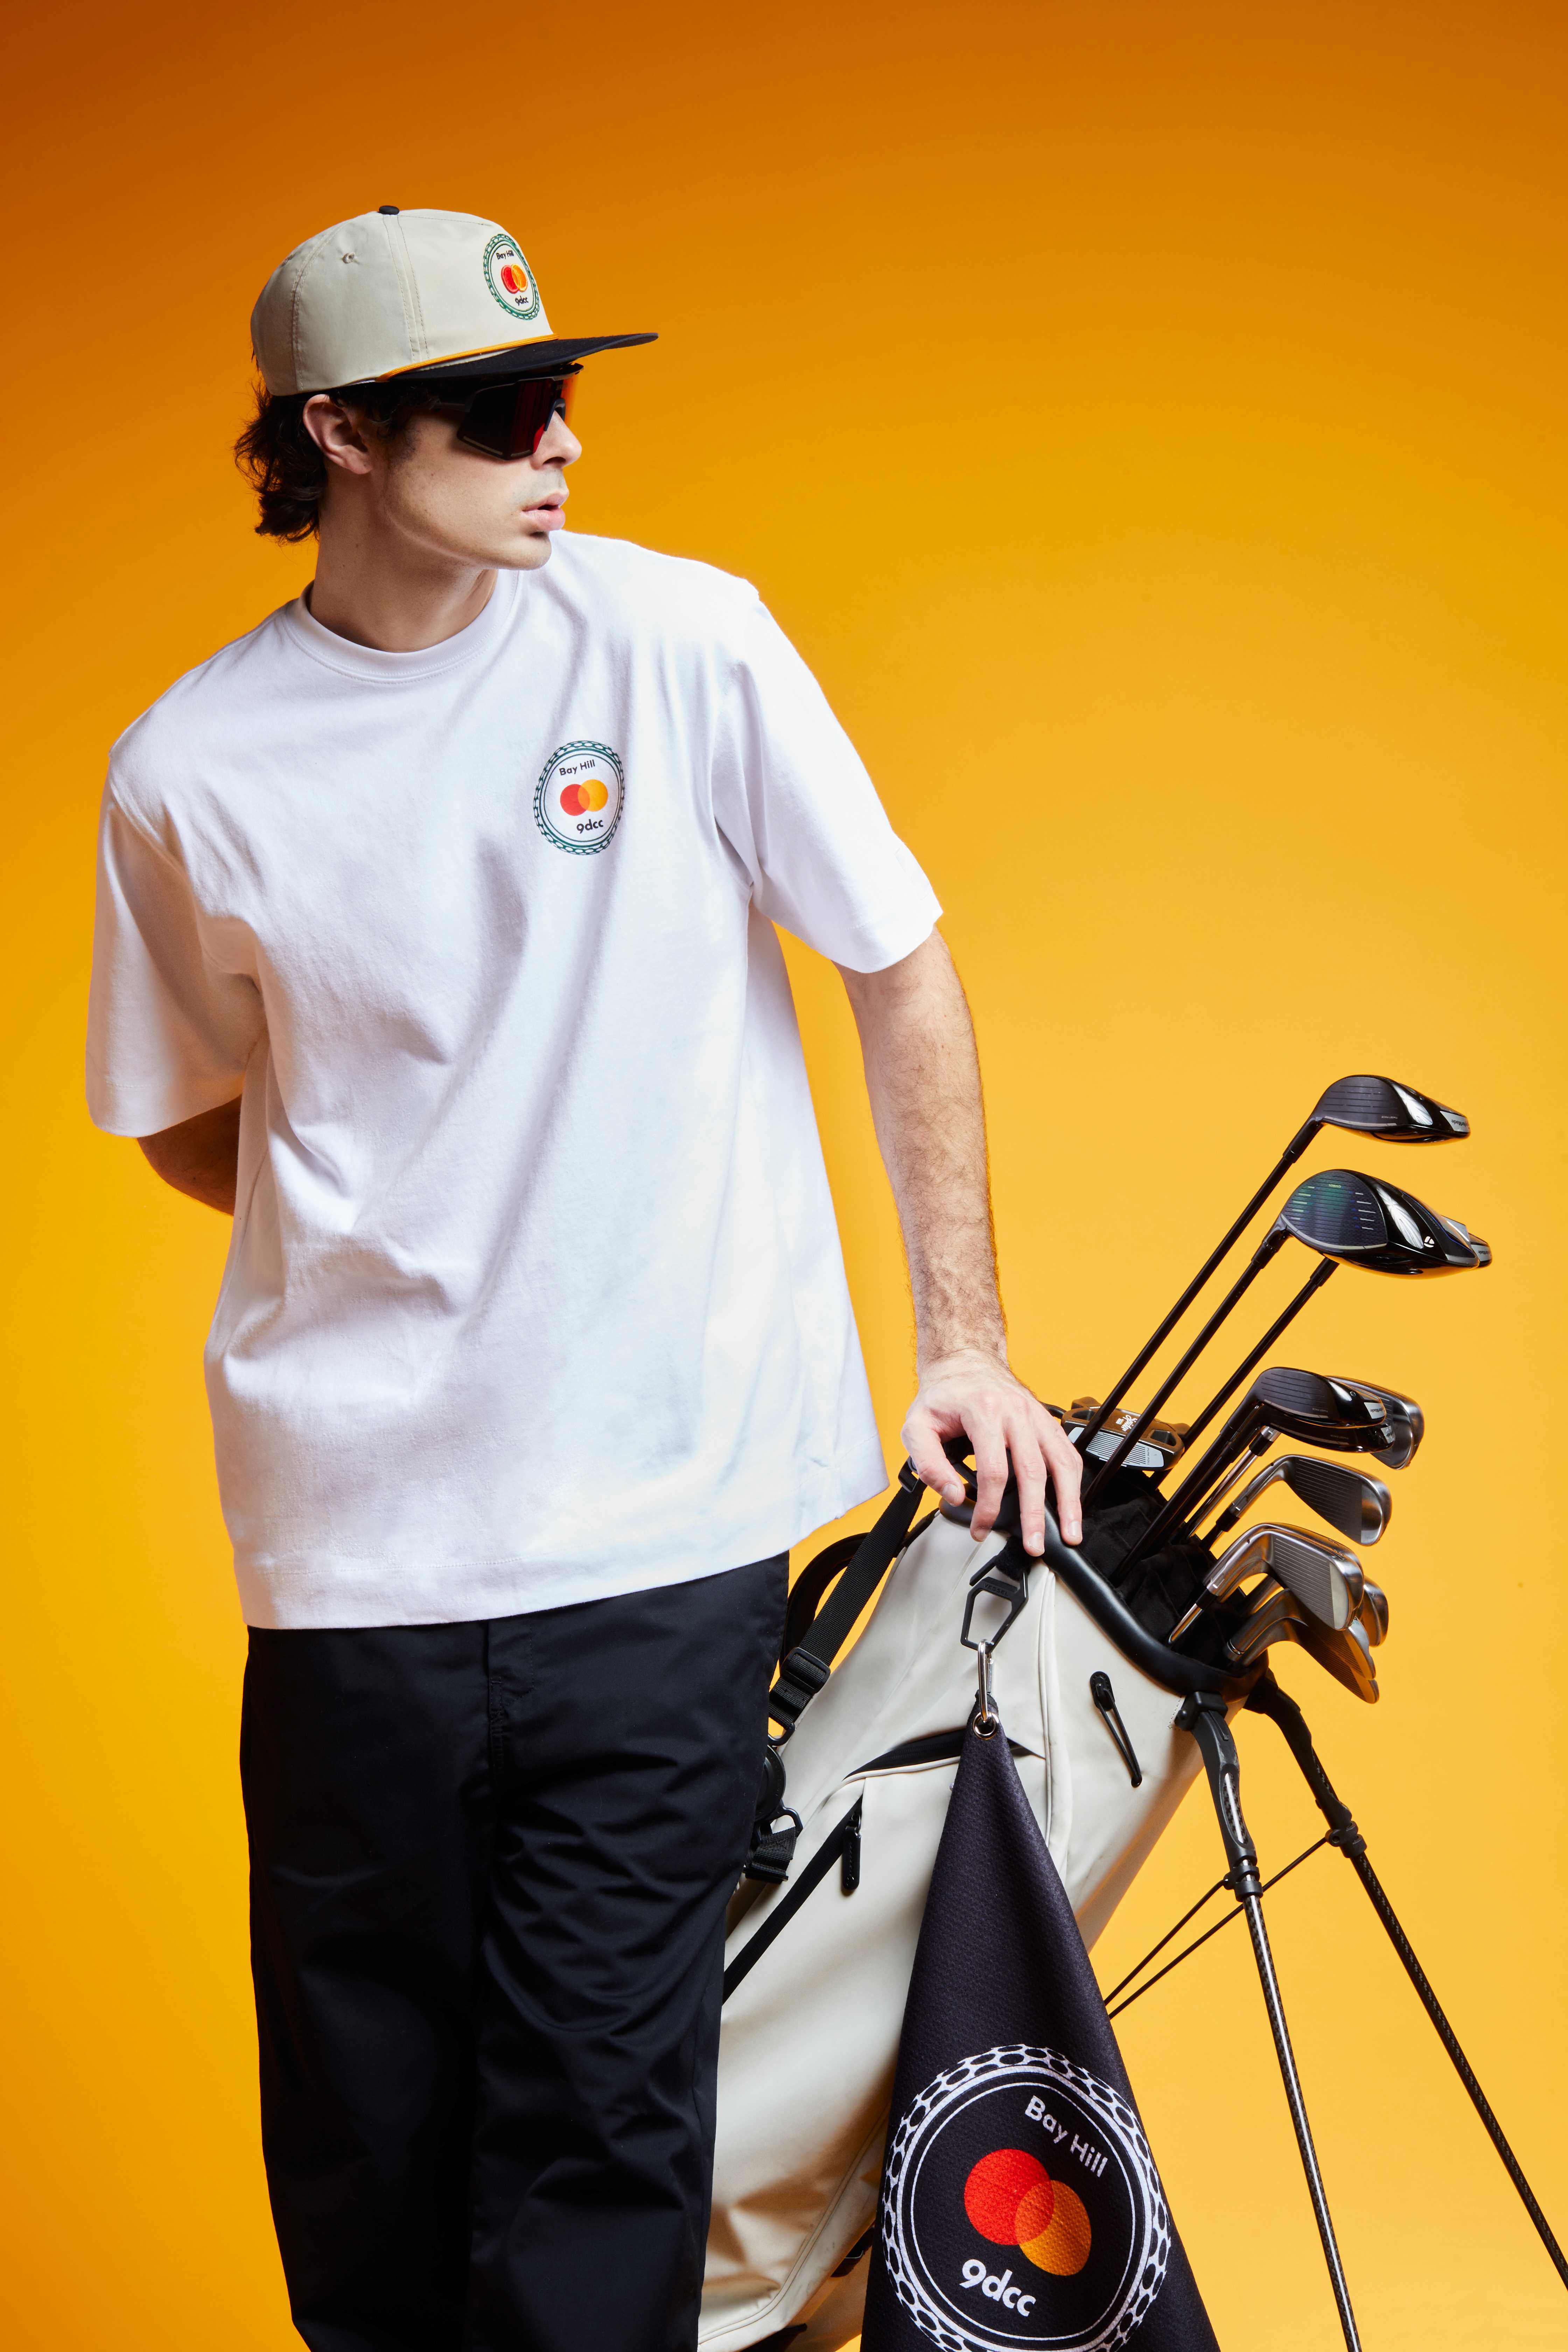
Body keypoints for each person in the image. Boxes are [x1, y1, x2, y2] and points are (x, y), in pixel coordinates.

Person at [84, 205, 1084, 2352]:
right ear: (340, 435)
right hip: (348, 1566)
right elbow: (184, 1116)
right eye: (503, 410)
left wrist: (968, 1343)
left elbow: (899, 963)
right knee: (366, 2158)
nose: (560, 446)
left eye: (565, 400)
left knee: (600, 2148)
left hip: (659, 1531)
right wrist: (396, 1214)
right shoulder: (187, 773)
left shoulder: (685, 645)